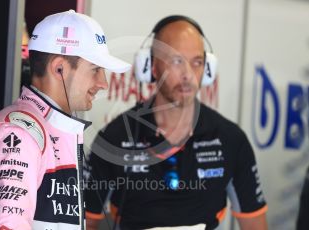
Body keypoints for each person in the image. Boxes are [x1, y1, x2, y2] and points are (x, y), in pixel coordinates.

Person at [84, 15, 268, 230]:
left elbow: (255, 224)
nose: (188, 74)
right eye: (176, 61)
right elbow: (85, 222)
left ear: (207, 71)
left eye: (197, 62)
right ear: (151, 66)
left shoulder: (230, 140)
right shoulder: (114, 138)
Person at [0, 9, 130, 230]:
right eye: (96, 69)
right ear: (59, 68)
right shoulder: (19, 132)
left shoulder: (55, 128)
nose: (103, 83)